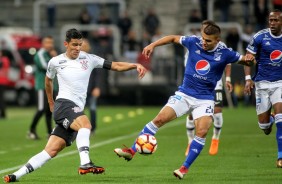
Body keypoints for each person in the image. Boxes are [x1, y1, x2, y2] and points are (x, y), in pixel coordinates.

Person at [3, 28, 147, 183]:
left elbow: (116, 66)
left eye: (80, 44)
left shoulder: (89, 58)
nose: (78, 48)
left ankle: (15, 175)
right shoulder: (56, 61)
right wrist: (51, 102)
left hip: (75, 110)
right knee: (86, 125)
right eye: (74, 45)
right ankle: (85, 163)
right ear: (66, 44)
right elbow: (48, 81)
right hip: (64, 105)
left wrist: (134, 65)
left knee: (50, 150)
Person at [114, 22, 255, 179]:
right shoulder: (193, 42)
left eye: (208, 40)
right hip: (185, 94)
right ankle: (131, 151)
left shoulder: (225, 52)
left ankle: (184, 168)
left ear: (217, 40)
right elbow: (173, 38)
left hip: (205, 99)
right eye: (203, 38)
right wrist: (153, 45)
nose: (204, 42)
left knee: (201, 131)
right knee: (159, 119)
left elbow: (246, 61)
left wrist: (250, 59)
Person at [184, 20, 233, 156]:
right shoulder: (193, 44)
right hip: (195, 85)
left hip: (215, 84)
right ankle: (190, 142)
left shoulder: (221, 46)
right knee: (191, 115)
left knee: (217, 112)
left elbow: (229, 61)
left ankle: (215, 138)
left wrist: (227, 79)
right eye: (203, 31)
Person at [244, 9, 282, 168]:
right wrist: (247, 79)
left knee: (281, 119)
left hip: (280, 83)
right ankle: (270, 119)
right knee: (265, 127)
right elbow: (247, 58)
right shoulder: (259, 37)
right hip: (261, 84)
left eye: (276, 20)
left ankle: (280, 157)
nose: (272, 23)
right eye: (270, 20)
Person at [27, 36, 58, 140]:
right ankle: (31, 130)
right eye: (48, 42)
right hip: (41, 86)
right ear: (43, 44)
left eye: (51, 42)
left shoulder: (49, 54)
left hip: (51, 86)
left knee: (50, 109)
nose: (50, 45)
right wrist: (55, 59)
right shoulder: (40, 54)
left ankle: (49, 132)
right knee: (41, 108)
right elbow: (46, 66)